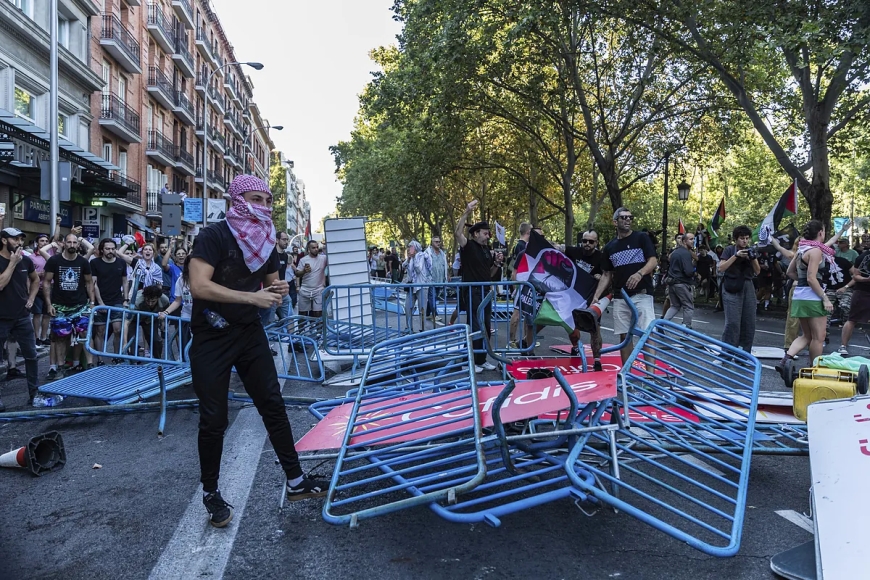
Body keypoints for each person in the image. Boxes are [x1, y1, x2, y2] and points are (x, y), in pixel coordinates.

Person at [188, 175, 327, 528]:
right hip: (211, 336)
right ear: (236, 200)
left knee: (273, 405)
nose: (263, 206)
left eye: (267, 199)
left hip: (249, 333)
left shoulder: (265, 241)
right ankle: (210, 492)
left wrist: (278, 287)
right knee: (214, 418)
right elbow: (198, 285)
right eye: (255, 198)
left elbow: (270, 285)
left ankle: (296, 481)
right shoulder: (212, 235)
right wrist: (252, 297)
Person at [592, 207, 658, 366]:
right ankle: (627, 375)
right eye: (623, 217)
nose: (628, 220)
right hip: (620, 296)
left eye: (630, 217)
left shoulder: (641, 238)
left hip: (642, 294)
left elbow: (653, 261)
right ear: (615, 222)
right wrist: (596, 295)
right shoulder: (609, 247)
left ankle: (650, 377)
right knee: (624, 336)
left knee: (646, 334)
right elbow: (607, 274)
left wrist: (640, 273)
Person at [454, 200, 503, 372]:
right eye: (484, 233)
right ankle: (471, 361)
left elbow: (488, 275)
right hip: (472, 292)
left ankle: (481, 359)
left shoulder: (486, 250)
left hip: (485, 292)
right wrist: (466, 212)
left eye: (488, 233)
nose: (488, 236)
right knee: (475, 326)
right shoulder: (468, 246)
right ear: (475, 234)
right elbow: (457, 233)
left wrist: (496, 264)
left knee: (486, 326)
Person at [779, 221, 834, 371]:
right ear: (821, 233)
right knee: (819, 337)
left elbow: (789, 272)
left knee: (806, 336)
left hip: (799, 296)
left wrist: (802, 281)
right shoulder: (815, 251)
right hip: (813, 297)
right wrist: (825, 298)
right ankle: (813, 369)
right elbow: (811, 278)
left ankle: (784, 361)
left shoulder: (802, 249)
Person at [43, 233, 95, 379]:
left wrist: (92, 303)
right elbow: (47, 282)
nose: (72, 245)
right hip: (59, 306)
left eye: (74, 243)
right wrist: (49, 304)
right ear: (64, 244)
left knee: (85, 333)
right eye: (69, 242)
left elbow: (89, 282)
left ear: (78, 245)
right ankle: (60, 367)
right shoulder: (54, 261)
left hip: (81, 305)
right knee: (61, 337)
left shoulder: (83, 262)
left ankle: (90, 365)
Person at [0, 228, 41, 410]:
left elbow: (36, 280)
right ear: (3, 240)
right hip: (1, 317)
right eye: (15, 239)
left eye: (20, 239)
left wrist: (31, 299)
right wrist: (12, 264)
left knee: (31, 356)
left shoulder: (26, 260)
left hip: (22, 316)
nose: (19, 242)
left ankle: (34, 394)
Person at [563, 230, 605, 367]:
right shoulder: (573, 252)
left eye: (591, 242)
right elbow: (556, 248)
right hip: (574, 295)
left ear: (596, 243)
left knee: (595, 328)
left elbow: (608, 275)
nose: (587, 244)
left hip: (591, 297)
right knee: (572, 325)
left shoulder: (601, 257)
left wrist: (600, 276)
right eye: (585, 241)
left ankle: (597, 360)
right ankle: (575, 347)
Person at [718, 226, 761, 352]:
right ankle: (727, 352)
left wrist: (752, 258)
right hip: (731, 285)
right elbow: (721, 268)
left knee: (749, 322)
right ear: (736, 239)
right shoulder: (729, 250)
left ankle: (744, 353)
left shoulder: (751, 250)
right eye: (742, 238)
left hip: (748, 285)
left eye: (747, 239)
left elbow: (758, 271)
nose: (745, 241)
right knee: (733, 323)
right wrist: (736, 256)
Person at [90, 238, 128, 364]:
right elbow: (93, 284)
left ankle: (117, 356)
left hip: (116, 299)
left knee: (117, 329)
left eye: (112, 248)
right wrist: (100, 302)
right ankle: (100, 358)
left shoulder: (121, 263)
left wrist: (126, 299)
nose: (110, 251)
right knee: (100, 331)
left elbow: (125, 281)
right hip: (100, 300)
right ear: (102, 250)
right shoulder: (95, 263)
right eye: (107, 248)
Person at [664, 232, 696, 329]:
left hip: (672, 283)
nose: (693, 241)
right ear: (684, 241)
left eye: (693, 239)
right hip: (682, 283)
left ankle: (662, 324)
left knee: (675, 306)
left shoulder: (675, 252)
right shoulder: (686, 253)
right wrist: (694, 272)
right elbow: (688, 271)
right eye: (690, 239)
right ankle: (686, 331)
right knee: (688, 306)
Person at [134, 284, 170, 358]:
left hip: (150, 319)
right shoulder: (138, 300)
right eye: (148, 301)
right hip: (134, 317)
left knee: (156, 340)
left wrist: (163, 322)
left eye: (153, 301)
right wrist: (124, 342)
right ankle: (133, 360)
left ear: (158, 298)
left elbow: (166, 310)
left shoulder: (164, 299)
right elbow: (127, 321)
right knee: (129, 338)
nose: (150, 303)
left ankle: (158, 359)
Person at [29, 233, 52, 345]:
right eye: (42, 241)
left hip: (49, 288)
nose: (44, 243)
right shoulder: (31, 258)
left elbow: (56, 238)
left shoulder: (51, 255)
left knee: (47, 314)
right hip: (37, 289)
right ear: (37, 243)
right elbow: (29, 275)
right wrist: (39, 274)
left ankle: (44, 337)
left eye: (46, 241)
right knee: (37, 314)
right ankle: (36, 337)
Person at [296, 239, 327, 318]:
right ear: (308, 249)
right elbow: (297, 273)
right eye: (313, 248)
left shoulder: (323, 258)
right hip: (305, 290)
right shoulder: (303, 260)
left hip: (318, 290)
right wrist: (304, 271)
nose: (316, 249)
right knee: (302, 315)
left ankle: (319, 330)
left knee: (318, 314)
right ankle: (301, 330)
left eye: (317, 247)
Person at [425, 236, 448, 325]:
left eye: (439, 241)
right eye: (436, 242)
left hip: (440, 279)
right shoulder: (427, 253)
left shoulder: (442, 253)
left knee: (434, 297)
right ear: (432, 243)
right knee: (432, 296)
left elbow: (444, 265)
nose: (438, 243)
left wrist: (446, 276)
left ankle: (427, 313)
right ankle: (435, 314)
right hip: (431, 280)